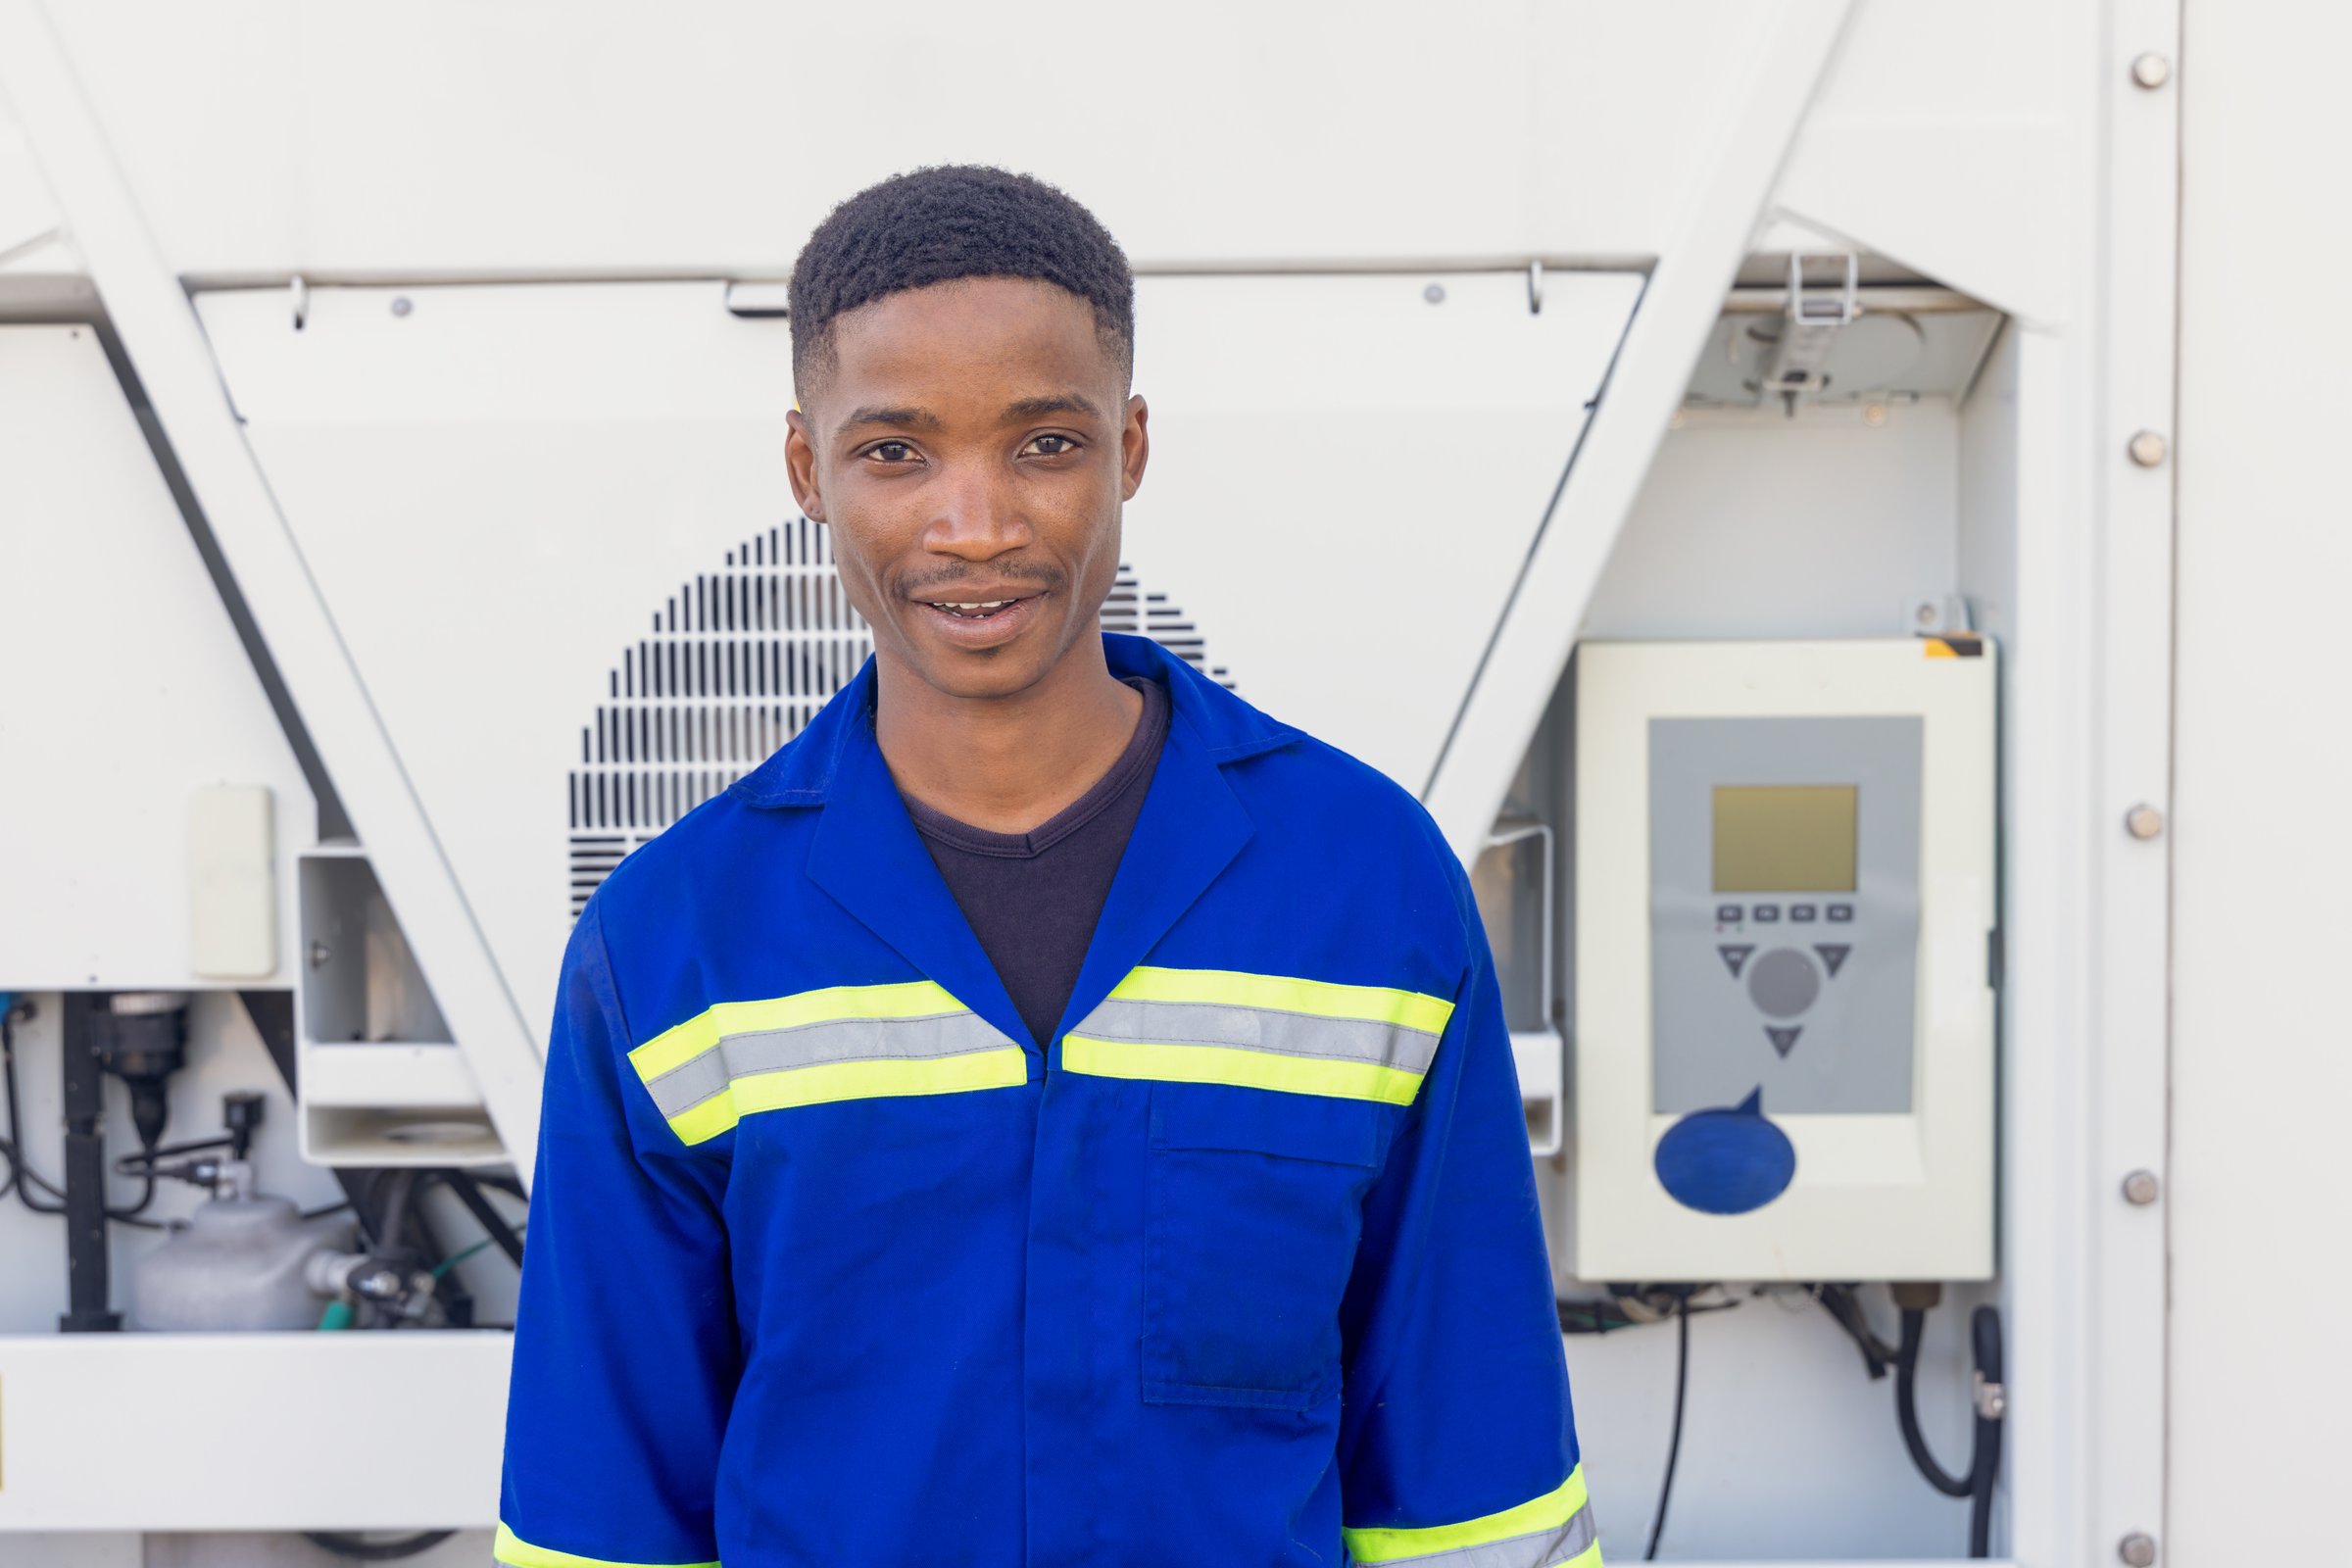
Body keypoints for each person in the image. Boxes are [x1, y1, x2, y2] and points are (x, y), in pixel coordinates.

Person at [495, 165, 1596, 1568]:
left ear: (1130, 448)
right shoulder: (673, 943)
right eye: (896, 452)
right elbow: (603, 1509)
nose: (978, 526)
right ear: (806, 470)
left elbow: (1471, 1475)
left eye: (1045, 446)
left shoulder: (1367, 890)